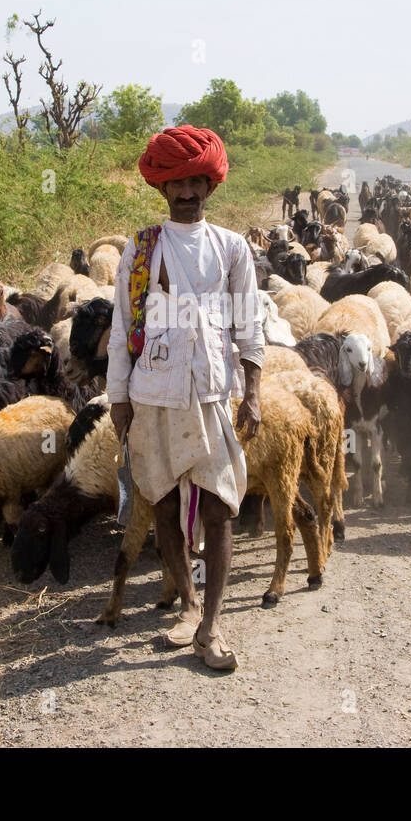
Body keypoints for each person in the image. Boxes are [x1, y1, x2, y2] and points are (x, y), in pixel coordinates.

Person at [105, 125, 264, 671]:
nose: (188, 192)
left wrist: (254, 392)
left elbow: (249, 325)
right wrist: (119, 400)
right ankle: (188, 607)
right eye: (177, 182)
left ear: (210, 186)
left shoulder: (232, 248)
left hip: (215, 393)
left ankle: (213, 628)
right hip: (153, 394)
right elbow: (124, 327)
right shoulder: (142, 248)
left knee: (220, 509)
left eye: (197, 180)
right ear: (164, 188)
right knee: (166, 505)